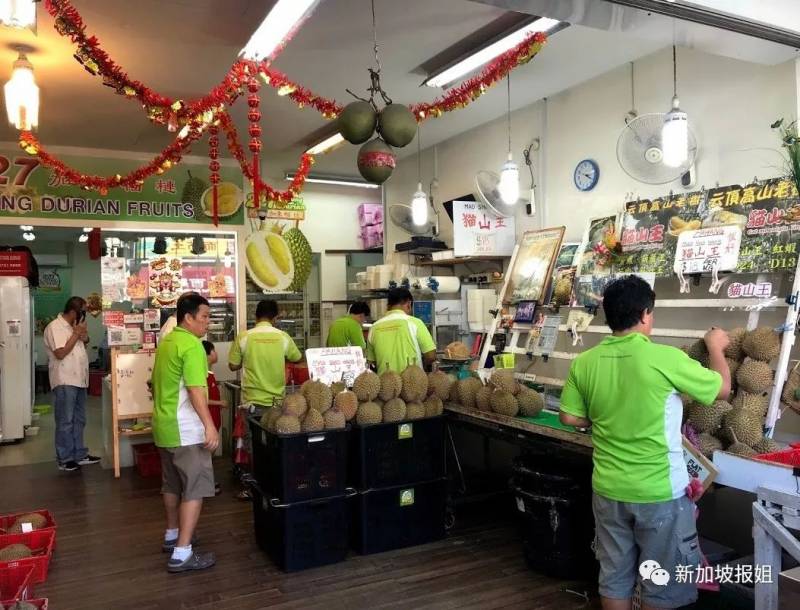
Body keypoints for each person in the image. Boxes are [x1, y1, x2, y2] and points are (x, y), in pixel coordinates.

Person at [559, 275, 731, 610]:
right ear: (645, 314)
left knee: (614, 577)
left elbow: (569, 417)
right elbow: (722, 390)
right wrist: (715, 347)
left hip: (608, 490)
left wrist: (603, 418)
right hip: (659, 493)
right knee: (661, 583)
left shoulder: (585, 362)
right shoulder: (665, 358)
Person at [151, 293, 219, 573]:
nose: (208, 323)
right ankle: (181, 553)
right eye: (204, 317)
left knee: (171, 485)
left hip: (163, 425)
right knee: (194, 488)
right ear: (188, 318)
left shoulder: (167, 342)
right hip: (186, 430)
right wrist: (209, 425)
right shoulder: (192, 346)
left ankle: (172, 534)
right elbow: (194, 390)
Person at [43, 296, 101, 472]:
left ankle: (79, 454)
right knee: (65, 420)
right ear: (74, 312)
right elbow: (60, 353)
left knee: (79, 420)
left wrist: (83, 335)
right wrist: (76, 334)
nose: (85, 316)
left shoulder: (74, 325)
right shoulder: (55, 327)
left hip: (80, 379)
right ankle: (65, 458)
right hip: (65, 379)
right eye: (83, 312)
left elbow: (83, 344)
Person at [228, 299, 302, 406]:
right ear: (275, 318)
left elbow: (233, 366)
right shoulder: (283, 337)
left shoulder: (243, 337)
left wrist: (246, 359)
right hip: (276, 401)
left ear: (256, 317)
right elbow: (297, 359)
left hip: (250, 402)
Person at [366, 288, 436, 374]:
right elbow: (431, 356)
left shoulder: (374, 327)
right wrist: (422, 366)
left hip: (385, 381)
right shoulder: (415, 323)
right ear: (409, 304)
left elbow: (371, 363)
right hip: (412, 380)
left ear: (388, 306)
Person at [203, 340, 226, 496]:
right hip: (209, 420)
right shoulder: (203, 374)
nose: (216, 354)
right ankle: (206, 484)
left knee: (208, 454)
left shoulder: (209, 373)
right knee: (206, 454)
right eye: (214, 350)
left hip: (214, 418)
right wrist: (220, 402)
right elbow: (201, 398)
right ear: (207, 354)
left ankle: (208, 482)